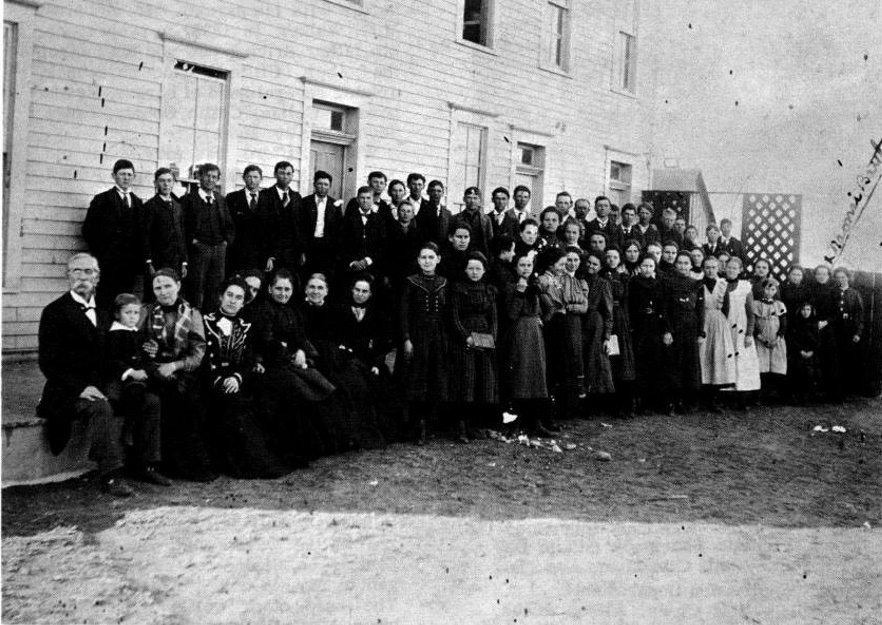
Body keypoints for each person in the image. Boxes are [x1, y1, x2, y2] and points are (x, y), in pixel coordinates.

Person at [38, 253, 133, 496]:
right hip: (67, 390)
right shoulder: (54, 312)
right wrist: (80, 388)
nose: (82, 277)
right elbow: (48, 363)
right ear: (68, 276)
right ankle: (111, 474)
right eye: (76, 271)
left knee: (147, 398)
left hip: (102, 383)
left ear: (97, 278)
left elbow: (112, 354)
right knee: (101, 407)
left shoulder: (104, 312)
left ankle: (146, 464)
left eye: (88, 271)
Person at [201, 276, 291, 478]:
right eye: (229, 295)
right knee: (232, 403)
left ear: (243, 303)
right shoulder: (206, 322)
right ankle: (233, 462)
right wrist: (221, 380)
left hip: (237, 378)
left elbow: (248, 360)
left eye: (238, 298)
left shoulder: (246, 326)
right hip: (211, 378)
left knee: (268, 391)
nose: (233, 301)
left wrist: (237, 377)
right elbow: (204, 359)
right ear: (220, 297)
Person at [249, 269, 338, 463]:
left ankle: (323, 443)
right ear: (270, 289)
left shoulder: (293, 310)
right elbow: (266, 341)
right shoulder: (263, 310)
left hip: (293, 361)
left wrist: (303, 352)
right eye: (278, 289)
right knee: (297, 389)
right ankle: (297, 449)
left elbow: (300, 337)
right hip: (270, 364)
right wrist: (290, 354)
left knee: (321, 383)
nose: (283, 293)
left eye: (287, 289)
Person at [141, 268, 215, 481]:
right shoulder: (146, 312)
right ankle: (163, 464)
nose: (163, 292)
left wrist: (175, 365)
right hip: (155, 369)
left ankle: (190, 465)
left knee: (187, 401)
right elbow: (136, 341)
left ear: (178, 286)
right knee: (160, 398)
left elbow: (198, 353)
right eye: (158, 288)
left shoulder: (192, 313)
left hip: (184, 370)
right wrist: (148, 349)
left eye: (168, 286)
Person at [300, 273, 387, 450]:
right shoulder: (298, 310)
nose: (316, 291)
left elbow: (344, 336)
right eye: (312, 287)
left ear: (326, 291)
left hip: (334, 356)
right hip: (311, 356)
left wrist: (342, 350)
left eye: (320, 288)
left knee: (355, 382)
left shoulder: (334, 310)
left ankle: (360, 435)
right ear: (306, 290)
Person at [105, 293, 169, 486]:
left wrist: (146, 369)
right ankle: (129, 430)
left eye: (136, 313)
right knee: (137, 395)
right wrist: (131, 371)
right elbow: (111, 360)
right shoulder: (113, 335)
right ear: (117, 314)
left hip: (138, 383)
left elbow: (147, 359)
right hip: (120, 385)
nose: (133, 317)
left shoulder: (139, 334)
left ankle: (148, 464)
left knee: (155, 400)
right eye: (128, 313)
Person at [334, 274, 403, 441]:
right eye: (357, 290)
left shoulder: (378, 315)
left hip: (371, 361)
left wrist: (377, 364)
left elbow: (384, 343)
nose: (360, 294)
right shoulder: (340, 311)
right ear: (352, 290)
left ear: (370, 294)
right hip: (346, 361)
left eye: (364, 291)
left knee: (382, 388)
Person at [399, 243, 450, 445]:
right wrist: (406, 338)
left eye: (431, 257)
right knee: (417, 379)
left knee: (435, 378)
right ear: (418, 260)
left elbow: (447, 313)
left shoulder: (444, 282)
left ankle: (431, 423)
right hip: (418, 336)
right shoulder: (411, 282)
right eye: (423, 257)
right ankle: (416, 424)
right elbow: (404, 313)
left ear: (438, 259)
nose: (427, 261)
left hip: (438, 337)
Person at [448, 252, 499, 442]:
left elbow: (494, 318)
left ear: (484, 270)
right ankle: (461, 426)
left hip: (485, 339)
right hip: (464, 339)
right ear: (465, 270)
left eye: (478, 268)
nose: (474, 272)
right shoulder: (458, 289)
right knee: (465, 381)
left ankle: (475, 425)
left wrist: (491, 339)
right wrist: (466, 338)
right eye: (471, 268)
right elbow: (454, 317)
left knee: (482, 381)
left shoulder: (489, 290)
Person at [502, 253, 553, 435]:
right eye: (522, 265)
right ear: (516, 267)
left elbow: (550, 306)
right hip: (518, 331)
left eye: (529, 265)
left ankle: (536, 422)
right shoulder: (510, 287)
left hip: (535, 333)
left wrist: (542, 319)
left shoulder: (536, 286)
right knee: (520, 374)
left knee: (537, 374)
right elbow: (511, 314)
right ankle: (517, 423)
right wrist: (520, 292)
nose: (525, 268)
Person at [82, 159, 143, 310]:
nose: (126, 178)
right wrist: (102, 254)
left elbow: (141, 234)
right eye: (122, 174)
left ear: (134, 177)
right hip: (107, 264)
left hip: (129, 265)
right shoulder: (102, 200)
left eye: (129, 174)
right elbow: (88, 230)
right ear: (114, 176)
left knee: (124, 304)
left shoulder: (138, 202)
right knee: (105, 303)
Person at [181, 163, 235, 309]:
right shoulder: (188, 200)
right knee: (196, 287)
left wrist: (225, 242)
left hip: (219, 249)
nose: (210, 180)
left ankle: (210, 316)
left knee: (216, 287)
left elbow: (229, 224)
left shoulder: (220, 199)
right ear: (200, 177)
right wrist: (193, 242)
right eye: (207, 176)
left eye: (214, 177)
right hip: (199, 249)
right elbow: (182, 226)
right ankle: (195, 318)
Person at [663, 251, 705, 414]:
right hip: (675, 328)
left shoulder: (696, 284)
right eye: (680, 263)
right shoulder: (668, 283)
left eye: (686, 263)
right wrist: (667, 330)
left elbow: (700, 310)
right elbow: (664, 309)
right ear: (675, 264)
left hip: (690, 329)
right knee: (674, 364)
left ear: (691, 265)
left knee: (690, 365)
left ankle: (687, 402)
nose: (683, 266)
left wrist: (700, 332)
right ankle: (672, 402)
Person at [628, 255, 669, 414]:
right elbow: (630, 305)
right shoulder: (633, 283)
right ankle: (637, 402)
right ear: (639, 267)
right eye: (645, 266)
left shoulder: (658, 284)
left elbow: (663, 306)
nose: (647, 269)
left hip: (654, 328)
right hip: (639, 328)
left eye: (651, 266)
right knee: (640, 364)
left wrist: (664, 326)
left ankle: (650, 402)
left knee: (654, 363)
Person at [601, 247, 637, 416]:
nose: (611, 260)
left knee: (622, 361)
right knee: (608, 359)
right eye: (608, 257)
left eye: (615, 257)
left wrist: (628, 323)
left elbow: (627, 301)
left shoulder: (623, 277)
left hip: (620, 319)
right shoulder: (601, 275)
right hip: (605, 317)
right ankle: (610, 405)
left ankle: (626, 404)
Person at [142, 167, 188, 295]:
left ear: (173, 183)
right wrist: (149, 262)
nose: (166, 184)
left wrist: (184, 262)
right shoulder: (150, 206)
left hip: (175, 261)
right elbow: (144, 236)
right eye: (162, 181)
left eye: (169, 181)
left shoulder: (178, 206)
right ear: (156, 183)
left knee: (173, 293)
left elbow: (181, 235)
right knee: (157, 293)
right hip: (158, 260)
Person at [698, 256, 736, 411]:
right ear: (703, 268)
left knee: (717, 357)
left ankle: (714, 398)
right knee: (703, 356)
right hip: (703, 322)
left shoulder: (722, 285)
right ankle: (702, 397)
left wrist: (720, 321)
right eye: (707, 267)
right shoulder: (699, 284)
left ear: (718, 268)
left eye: (713, 267)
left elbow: (726, 307)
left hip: (719, 323)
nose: (710, 270)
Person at [723, 256, 761, 408]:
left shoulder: (745, 287)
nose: (731, 270)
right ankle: (726, 398)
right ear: (725, 268)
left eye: (734, 268)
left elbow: (751, 314)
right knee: (726, 361)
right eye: (729, 267)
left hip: (741, 330)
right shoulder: (720, 284)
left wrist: (749, 334)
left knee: (743, 363)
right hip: (725, 328)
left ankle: (743, 398)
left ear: (740, 270)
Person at [580, 252, 616, 403]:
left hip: (595, 325)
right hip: (580, 322)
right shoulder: (579, 279)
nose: (591, 266)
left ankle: (596, 402)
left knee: (595, 361)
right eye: (589, 262)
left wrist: (607, 336)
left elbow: (608, 312)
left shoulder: (603, 283)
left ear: (600, 267)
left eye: (595, 264)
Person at [259, 160, 304, 273]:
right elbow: (261, 228)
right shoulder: (265, 195)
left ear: (292, 176)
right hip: (272, 253)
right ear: (275, 174)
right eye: (282, 173)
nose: (285, 176)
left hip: (292, 253)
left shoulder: (296, 197)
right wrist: (267, 255)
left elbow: (300, 227)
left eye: (288, 174)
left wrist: (301, 251)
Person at [340, 185, 388, 285]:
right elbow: (343, 244)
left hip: (372, 265)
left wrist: (367, 260)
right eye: (362, 198)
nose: (365, 201)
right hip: (352, 266)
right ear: (357, 200)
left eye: (368, 198)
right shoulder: (348, 219)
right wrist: (353, 262)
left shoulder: (380, 220)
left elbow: (382, 245)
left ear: (373, 200)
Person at [301, 170, 344, 282]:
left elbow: (339, 229)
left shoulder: (335, 205)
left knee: (325, 278)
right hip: (309, 246)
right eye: (320, 183)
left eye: (326, 184)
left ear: (329, 186)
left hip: (327, 249)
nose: (322, 187)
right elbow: (300, 227)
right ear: (314, 184)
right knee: (307, 277)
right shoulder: (305, 202)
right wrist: (302, 250)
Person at [830, 267, 865, 397]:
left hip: (849, 331)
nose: (841, 280)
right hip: (834, 331)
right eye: (838, 277)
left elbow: (860, 314)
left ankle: (845, 391)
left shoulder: (854, 293)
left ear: (848, 278)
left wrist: (858, 333)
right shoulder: (832, 292)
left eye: (843, 277)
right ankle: (834, 391)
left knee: (847, 360)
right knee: (834, 360)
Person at [753, 277, 788, 403]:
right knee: (761, 366)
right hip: (761, 340)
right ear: (762, 289)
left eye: (773, 289)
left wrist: (777, 339)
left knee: (776, 365)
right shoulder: (756, 304)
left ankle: (773, 396)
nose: (769, 292)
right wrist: (762, 339)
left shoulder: (779, 305)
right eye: (767, 289)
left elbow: (783, 324)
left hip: (776, 340)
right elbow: (753, 325)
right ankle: (760, 395)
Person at [225, 164, 264, 274]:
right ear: (244, 178)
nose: (252, 180)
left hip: (259, 253)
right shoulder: (232, 198)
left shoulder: (267, 199)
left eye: (255, 177)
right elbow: (227, 224)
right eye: (249, 176)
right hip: (237, 251)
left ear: (261, 179)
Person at [386, 198, 423, 295]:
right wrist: (386, 275)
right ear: (398, 212)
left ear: (413, 214)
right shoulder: (389, 230)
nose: (405, 214)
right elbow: (385, 254)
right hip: (394, 273)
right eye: (402, 211)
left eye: (408, 211)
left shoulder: (418, 232)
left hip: (412, 272)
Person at [788, 302, 821, 403]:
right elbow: (792, 339)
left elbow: (818, 340)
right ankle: (796, 395)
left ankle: (808, 395)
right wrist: (800, 351)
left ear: (811, 311)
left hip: (811, 353)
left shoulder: (815, 324)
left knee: (810, 372)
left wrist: (812, 351)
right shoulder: (795, 323)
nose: (805, 312)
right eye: (803, 309)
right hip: (798, 352)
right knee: (797, 370)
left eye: (808, 309)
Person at [452, 186, 494, 257]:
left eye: (475, 198)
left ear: (479, 200)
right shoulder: (455, 218)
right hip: (461, 254)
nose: (472, 201)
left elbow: (490, 241)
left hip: (480, 254)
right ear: (464, 199)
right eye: (469, 198)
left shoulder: (486, 219)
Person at [415, 179, 452, 245]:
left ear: (443, 193)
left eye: (439, 191)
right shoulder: (420, 209)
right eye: (433, 190)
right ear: (428, 192)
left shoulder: (447, 214)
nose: (436, 193)